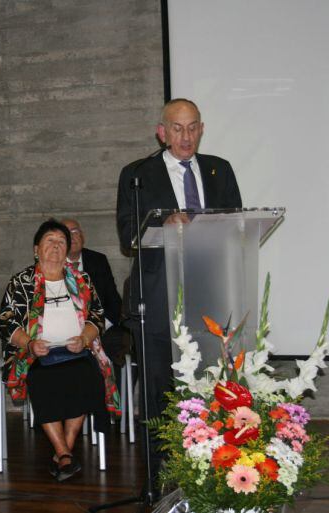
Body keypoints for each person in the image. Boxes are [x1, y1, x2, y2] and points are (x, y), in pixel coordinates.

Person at [116, 98, 242, 472]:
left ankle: (213, 473)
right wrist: (162, 224)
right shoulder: (137, 174)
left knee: (212, 386)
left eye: (192, 128)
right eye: (177, 128)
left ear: (202, 129)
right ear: (162, 132)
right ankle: (161, 477)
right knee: (160, 392)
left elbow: (237, 225)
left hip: (211, 294)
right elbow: (129, 235)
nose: (186, 137)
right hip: (158, 297)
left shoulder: (221, 170)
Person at [0, 219, 118, 482]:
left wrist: (85, 338)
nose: (56, 246)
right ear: (36, 249)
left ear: (68, 249)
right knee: (43, 379)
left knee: (88, 377)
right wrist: (29, 344)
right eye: (49, 241)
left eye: (61, 241)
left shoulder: (82, 279)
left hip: (77, 351)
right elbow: (5, 322)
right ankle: (64, 453)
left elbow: (97, 314)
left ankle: (63, 454)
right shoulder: (21, 282)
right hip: (36, 354)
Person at [60, 219, 128, 366]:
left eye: (75, 232)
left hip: (101, 328)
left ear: (82, 236)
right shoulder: (53, 264)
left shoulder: (98, 260)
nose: (72, 237)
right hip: (67, 330)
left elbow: (114, 302)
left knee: (121, 343)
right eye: (66, 234)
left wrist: (96, 328)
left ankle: (112, 387)